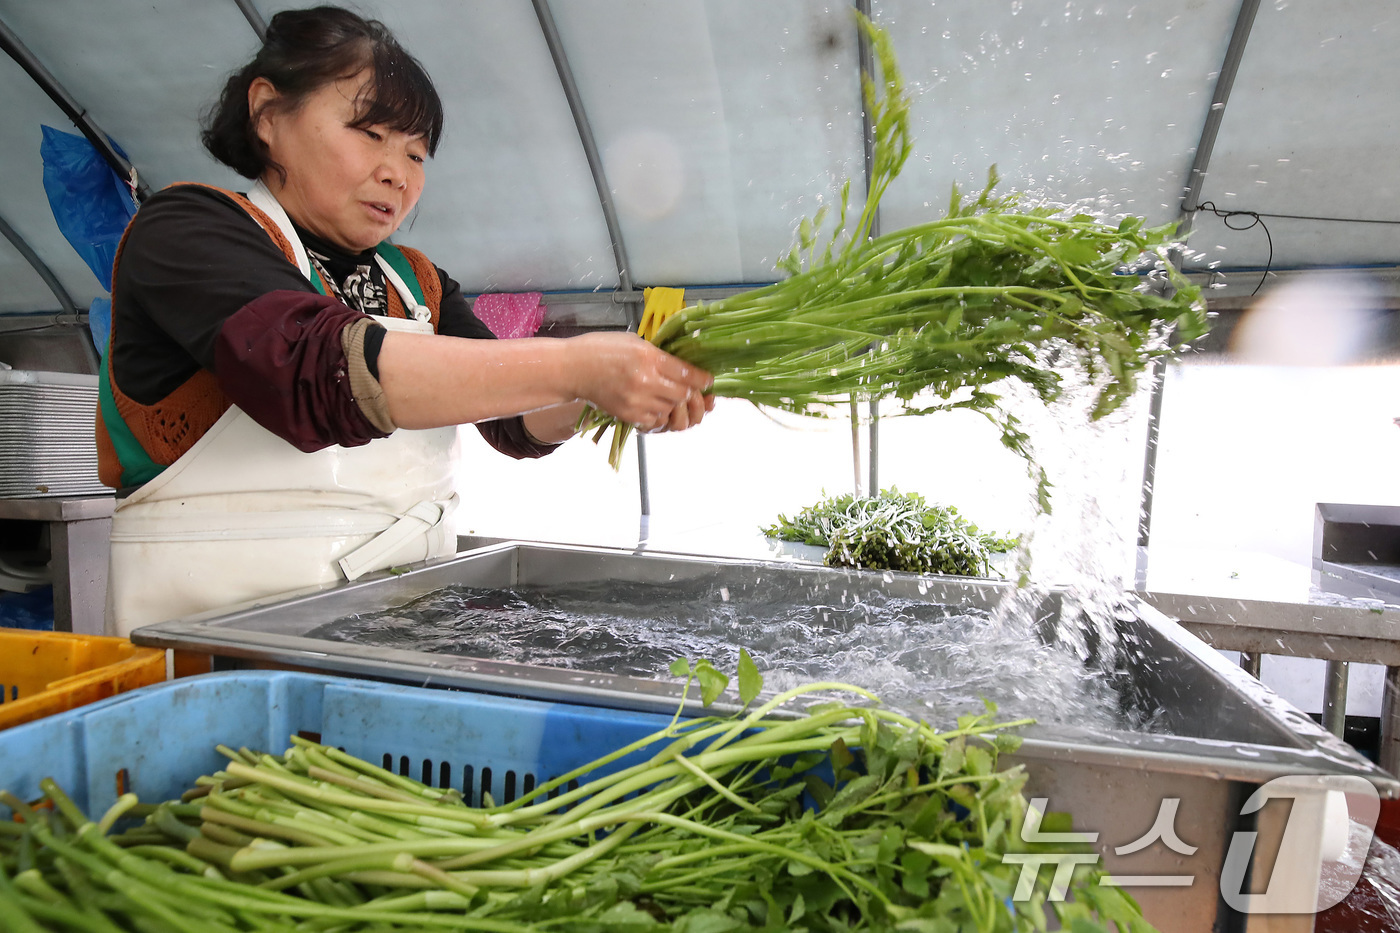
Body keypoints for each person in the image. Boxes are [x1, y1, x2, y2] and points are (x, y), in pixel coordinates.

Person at [99, 6, 713, 636]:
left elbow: (513, 421)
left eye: (416, 154)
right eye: (370, 134)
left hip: (400, 628)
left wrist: (603, 391)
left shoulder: (415, 280)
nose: (397, 171)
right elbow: (315, 373)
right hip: (208, 647)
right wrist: (577, 362)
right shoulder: (185, 231)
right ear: (268, 114)